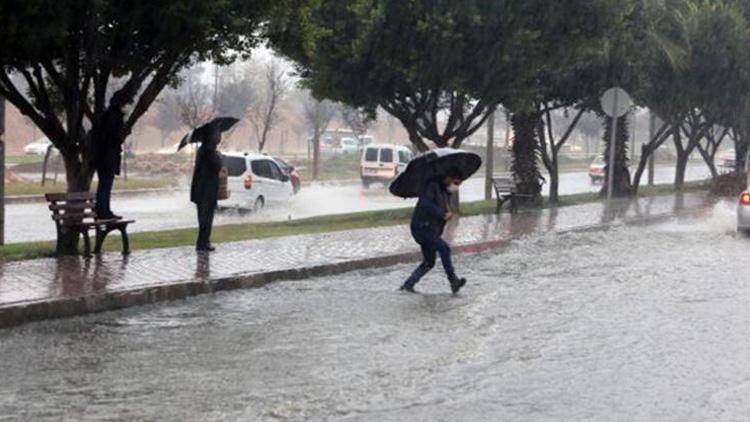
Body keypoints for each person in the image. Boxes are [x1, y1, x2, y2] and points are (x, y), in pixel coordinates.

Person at [400, 168, 467, 294]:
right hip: (421, 228)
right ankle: (453, 280)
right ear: (449, 177)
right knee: (444, 248)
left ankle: (407, 285)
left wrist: (447, 214)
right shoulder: (432, 186)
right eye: (456, 183)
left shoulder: (445, 191)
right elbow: (425, 203)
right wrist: (442, 214)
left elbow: (442, 209)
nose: (456, 186)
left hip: (432, 230)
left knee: (429, 262)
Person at [191, 130, 223, 252]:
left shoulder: (204, 149)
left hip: (202, 190)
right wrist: (219, 156)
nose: (219, 138)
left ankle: (204, 242)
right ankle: (202, 243)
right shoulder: (209, 151)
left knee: (204, 218)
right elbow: (217, 166)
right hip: (206, 191)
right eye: (218, 135)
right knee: (206, 218)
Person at [93, 108, 125, 219]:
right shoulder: (112, 119)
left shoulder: (105, 117)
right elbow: (114, 138)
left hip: (103, 159)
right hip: (107, 159)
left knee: (104, 185)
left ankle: (102, 210)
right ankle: (103, 211)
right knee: (105, 186)